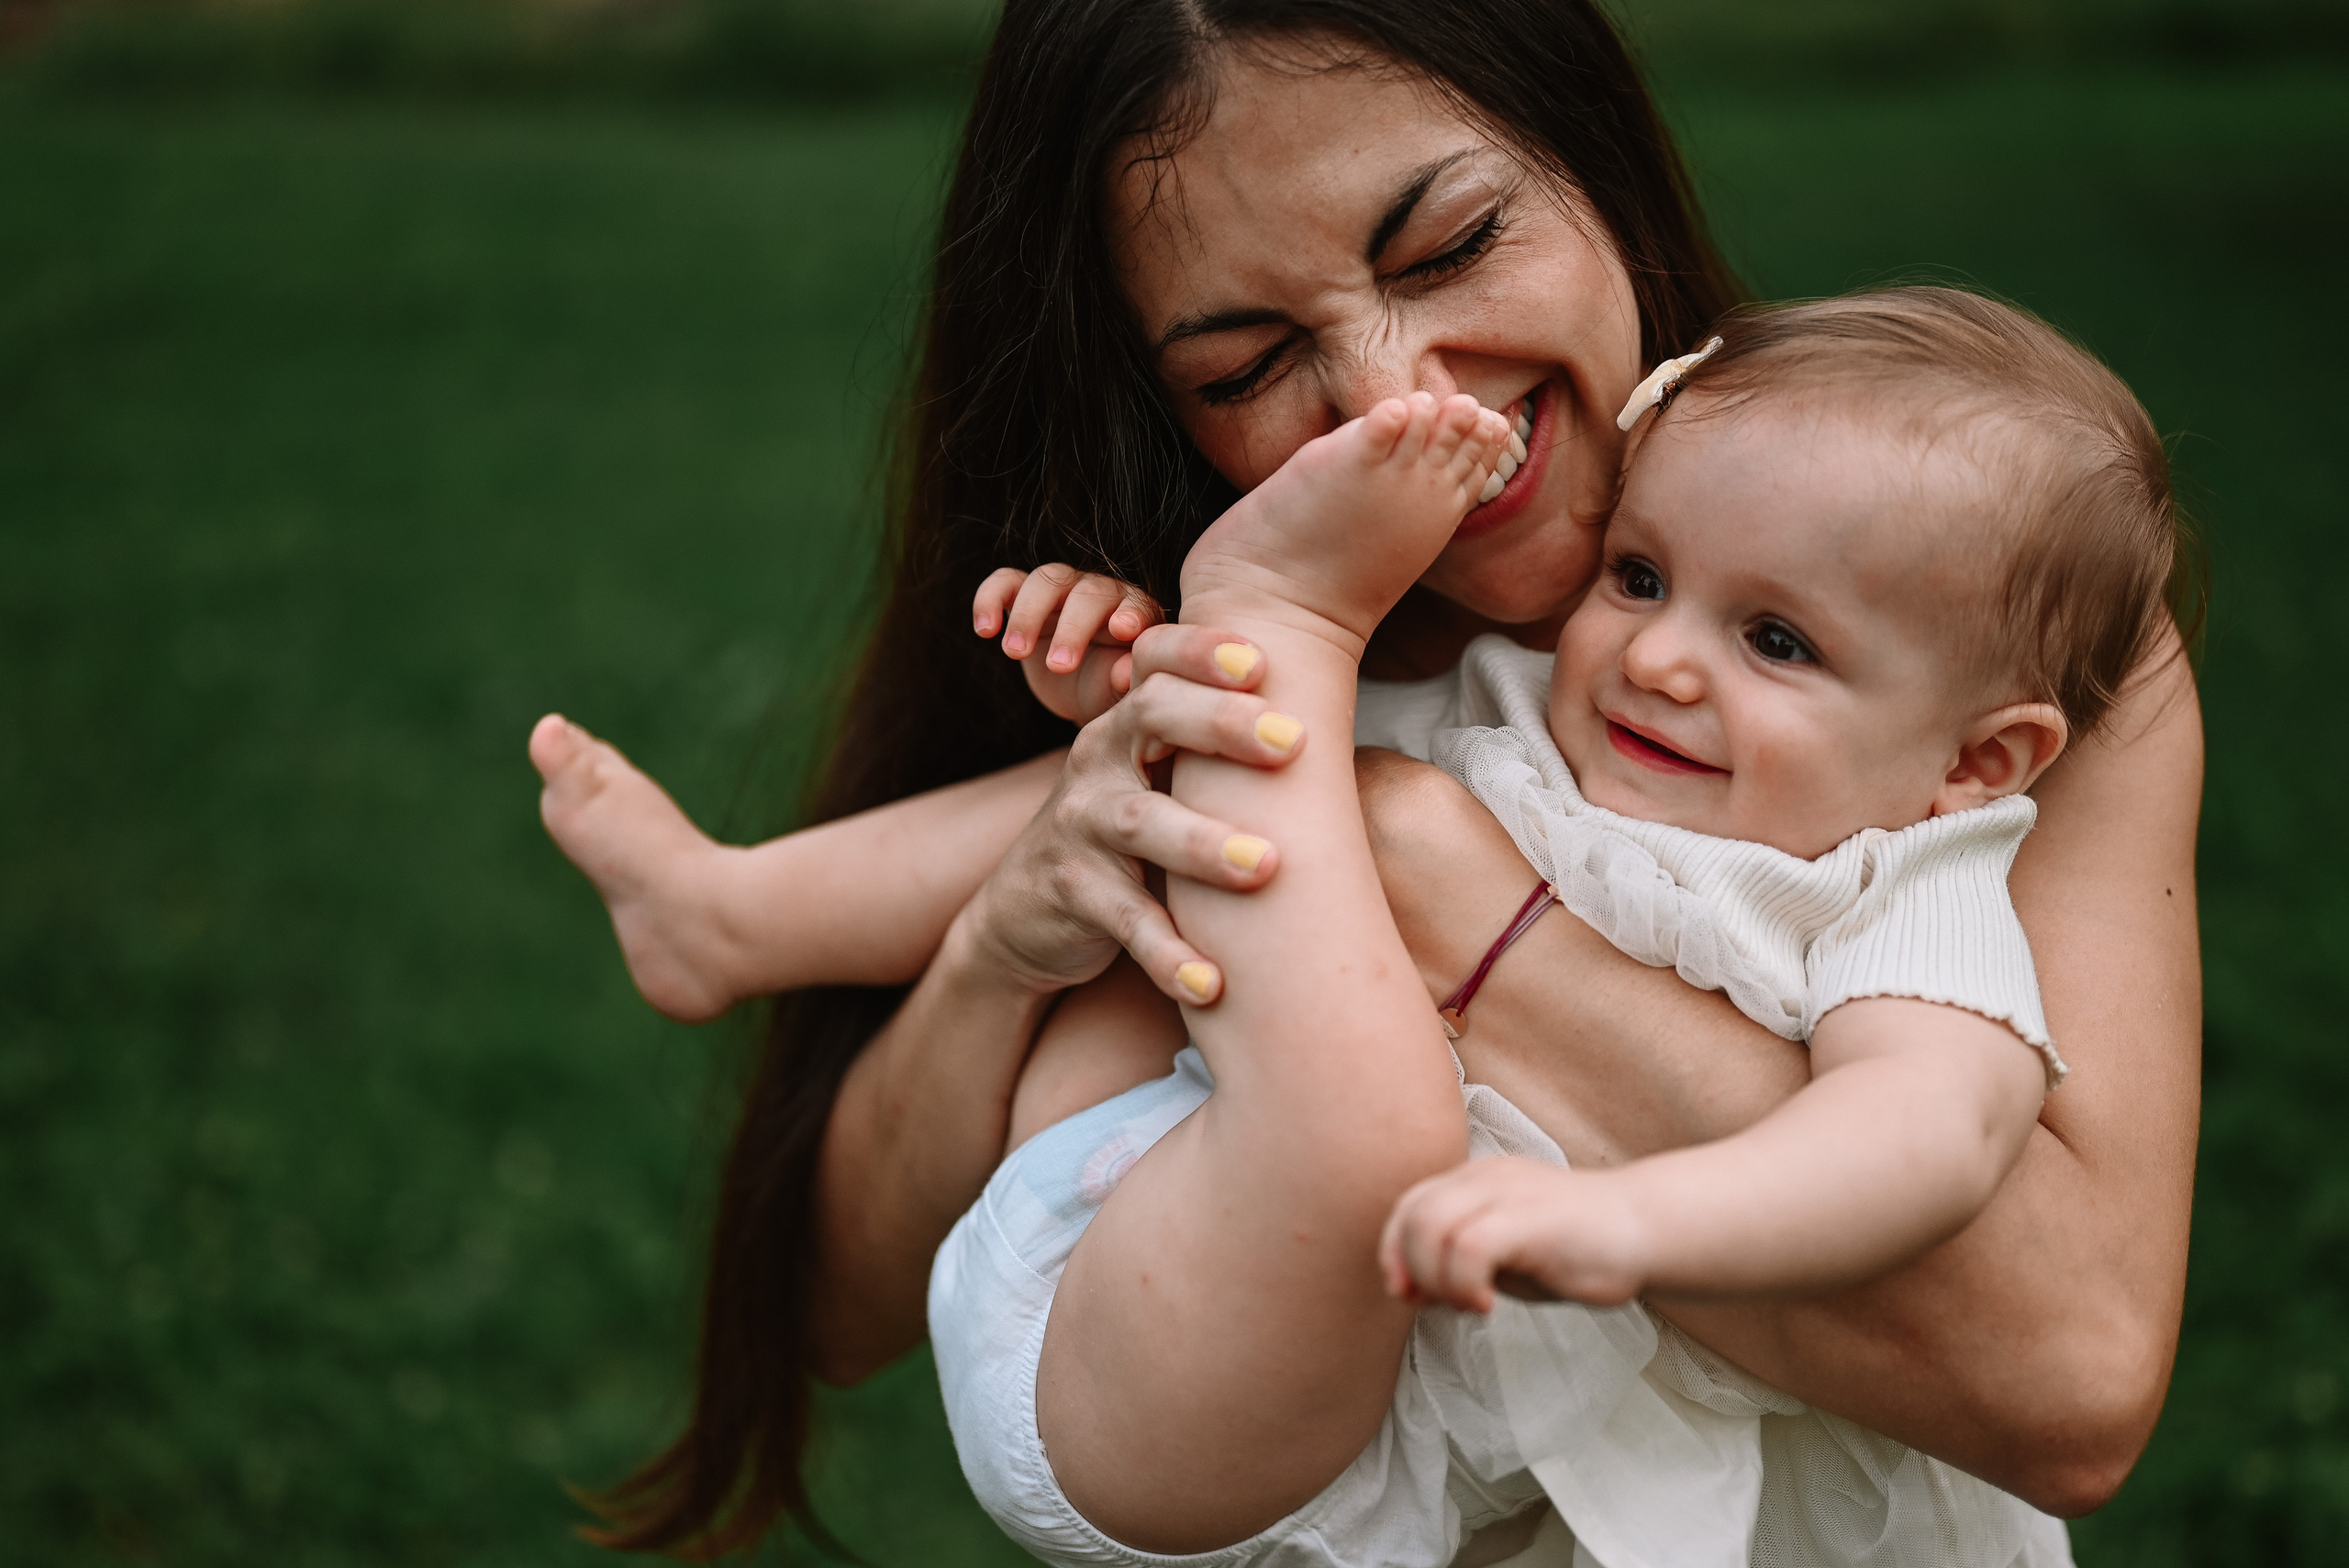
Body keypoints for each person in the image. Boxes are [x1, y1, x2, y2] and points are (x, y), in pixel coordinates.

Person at [536, 0, 2203, 1556]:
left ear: (1592, 159)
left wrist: (1430, 882)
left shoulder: (2001, 626)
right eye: (1246, 368)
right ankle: (738, 908)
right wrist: (1003, 944)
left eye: (1456, 243)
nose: (1399, 396)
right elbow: (843, 1306)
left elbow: (2062, 1378)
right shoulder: (1289, 632)